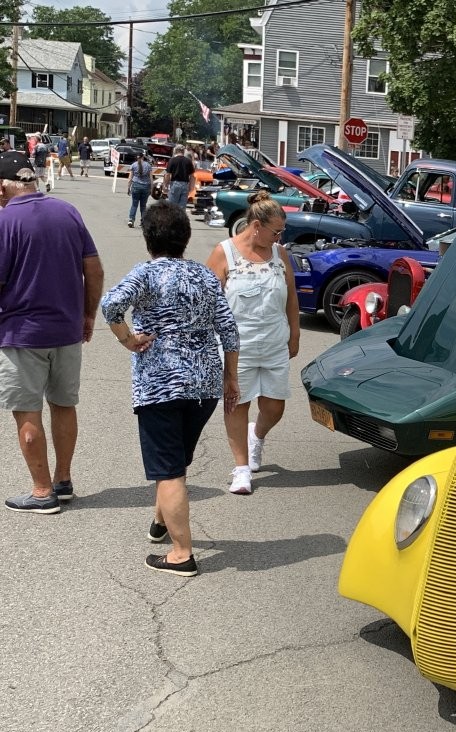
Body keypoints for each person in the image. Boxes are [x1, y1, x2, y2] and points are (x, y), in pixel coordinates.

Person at [100, 202, 240, 577]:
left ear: (148, 239)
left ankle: (181, 554)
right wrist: (231, 378)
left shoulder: (145, 273)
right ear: (186, 238)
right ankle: (161, 523)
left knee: (169, 470)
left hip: (160, 384)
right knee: (175, 463)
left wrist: (127, 339)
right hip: (204, 384)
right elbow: (228, 329)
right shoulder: (205, 276)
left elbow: (111, 304)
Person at [0, 151, 104, 513]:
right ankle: (62, 480)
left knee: (26, 411)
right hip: (67, 329)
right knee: (64, 404)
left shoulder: (4, 221)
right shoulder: (68, 212)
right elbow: (93, 268)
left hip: (22, 333)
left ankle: (41, 492)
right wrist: (88, 314)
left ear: (3, 187)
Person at [206, 190, 300, 495]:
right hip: (237, 347)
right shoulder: (224, 253)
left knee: (274, 407)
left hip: (274, 342)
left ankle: (256, 437)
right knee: (237, 403)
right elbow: (208, 302)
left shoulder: (279, 254)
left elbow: (292, 297)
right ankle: (242, 469)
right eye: (276, 231)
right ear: (256, 225)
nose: (279, 237)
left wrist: (295, 334)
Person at [126, 153, 154, 228]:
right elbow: (151, 179)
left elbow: (130, 178)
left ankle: (131, 220)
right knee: (143, 205)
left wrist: (128, 188)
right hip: (145, 187)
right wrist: (152, 188)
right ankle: (143, 221)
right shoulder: (148, 165)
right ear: (143, 157)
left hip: (136, 186)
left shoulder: (133, 165)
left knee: (134, 204)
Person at [164, 144, 195, 209]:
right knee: (182, 207)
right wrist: (191, 187)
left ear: (176, 150)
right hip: (185, 184)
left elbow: (167, 174)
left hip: (175, 184)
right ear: (183, 151)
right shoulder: (188, 161)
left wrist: (165, 185)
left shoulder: (172, 160)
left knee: (172, 206)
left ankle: (173, 218)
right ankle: (180, 218)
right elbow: (192, 176)